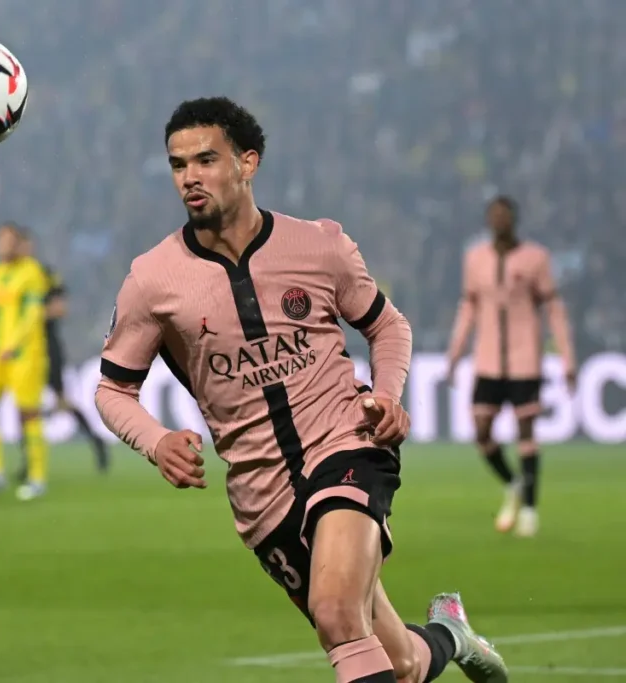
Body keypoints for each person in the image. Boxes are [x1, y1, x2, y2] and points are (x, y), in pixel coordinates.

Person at [94, 97, 507, 683]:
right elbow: (113, 390)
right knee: (402, 665)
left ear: (247, 162)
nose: (190, 177)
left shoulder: (318, 245)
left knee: (336, 614)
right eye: (178, 164)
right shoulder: (152, 279)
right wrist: (155, 441)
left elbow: (387, 326)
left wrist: (388, 395)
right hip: (261, 495)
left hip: (345, 443)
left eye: (206, 160)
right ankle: (451, 636)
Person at [446, 196, 575, 538]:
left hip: (524, 361)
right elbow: (468, 308)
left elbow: (554, 310)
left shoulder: (535, 258)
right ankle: (513, 483)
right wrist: (455, 354)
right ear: (489, 220)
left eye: (504, 215)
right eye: (494, 215)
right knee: (481, 429)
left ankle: (530, 510)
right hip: (488, 360)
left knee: (526, 431)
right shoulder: (475, 258)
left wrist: (567, 358)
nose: (499, 221)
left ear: (513, 220)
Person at [15, 228, 109, 482]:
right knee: (25, 405)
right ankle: (28, 461)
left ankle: (96, 441)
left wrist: (33, 316)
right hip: (24, 350)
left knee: (60, 401)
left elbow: (60, 309)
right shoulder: (12, 277)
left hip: (47, 346)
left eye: (24, 245)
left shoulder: (44, 274)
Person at [0, 222, 50, 502]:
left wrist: (12, 344)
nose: (3, 245)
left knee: (28, 414)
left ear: (18, 244)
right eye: (0, 240)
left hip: (24, 354)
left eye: (9, 241)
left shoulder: (32, 273)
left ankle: (37, 478)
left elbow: (32, 315)